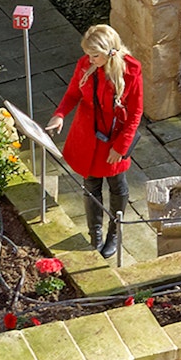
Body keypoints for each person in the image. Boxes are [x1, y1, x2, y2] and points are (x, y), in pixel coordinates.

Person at [46, 25, 143, 257]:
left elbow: (136, 112)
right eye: (88, 54)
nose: (89, 59)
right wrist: (59, 115)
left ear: (109, 51)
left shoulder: (130, 71)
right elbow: (73, 94)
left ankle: (114, 232)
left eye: (94, 55)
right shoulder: (85, 65)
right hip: (88, 136)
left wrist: (120, 147)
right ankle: (95, 234)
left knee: (117, 185)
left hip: (114, 138)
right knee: (91, 186)